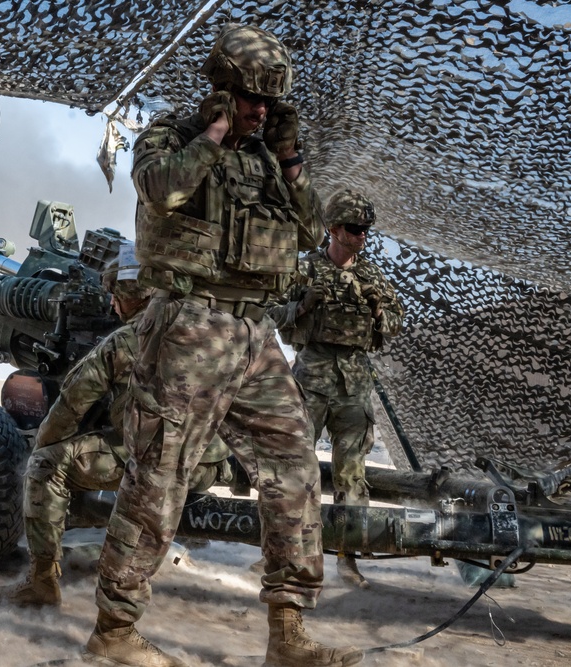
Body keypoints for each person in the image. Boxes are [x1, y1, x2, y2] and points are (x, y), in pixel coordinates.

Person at [82, 23, 364, 667]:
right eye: (248, 99)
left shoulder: (267, 159)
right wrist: (210, 136)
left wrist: (291, 160)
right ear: (219, 90)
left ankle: (287, 631)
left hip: (253, 334)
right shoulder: (170, 137)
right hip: (188, 326)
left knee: (293, 465)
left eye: (268, 103)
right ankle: (115, 630)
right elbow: (162, 189)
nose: (259, 112)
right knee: (161, 473)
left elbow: (310, 230)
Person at [0, 248, 230, 608]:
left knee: (45, 466)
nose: (113, 304)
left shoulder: (127, 340)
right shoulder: (214, 333)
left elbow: (70, 406)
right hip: (205, 467)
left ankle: (41, 583)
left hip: (152, 467)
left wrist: (40, 447)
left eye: (117, 295)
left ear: (130, 297)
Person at [269, 190, 405, 589]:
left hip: (354, 382)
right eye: (355, 228)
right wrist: (302, 307)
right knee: (295, 469)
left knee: (351, 474)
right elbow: (272, 311)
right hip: (311, 376)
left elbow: (396, 323)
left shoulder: (372, 276)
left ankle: (347, 558)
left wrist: (380, 311)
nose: (362, 235)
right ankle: (285, 555)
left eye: (366, 229)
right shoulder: (304, 271)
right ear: (333, 228)